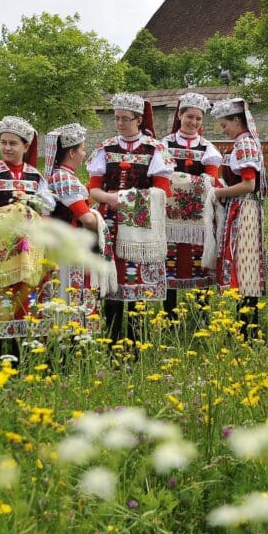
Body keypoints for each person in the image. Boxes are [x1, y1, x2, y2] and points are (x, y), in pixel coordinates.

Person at [87, 93, 173, 346]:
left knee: (137, 280)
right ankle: (112, 339)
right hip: (110, 219)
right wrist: (112, 199)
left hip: (140, 221)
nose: (121, 123)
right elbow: (93, 188)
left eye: (126, 119)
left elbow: (163, 190)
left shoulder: (155, 149)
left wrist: (132, 198)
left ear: (139, 120)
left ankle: (135, 342)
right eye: (117, 118)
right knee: (112, 278)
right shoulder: (106, 148)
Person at [0, 116, 55, 359]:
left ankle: (26, 356)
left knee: (26, 299)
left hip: (29, 251)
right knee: (0, 300)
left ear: (26, 146)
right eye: (3, 143)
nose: (7, 148)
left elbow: (45, 211)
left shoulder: (35, 176)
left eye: (13, 143)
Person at [41, 122, 113, 334]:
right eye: (82, 149)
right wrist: (99, 220)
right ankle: (71, 338)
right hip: (70, 244)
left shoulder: (59, 174)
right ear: (71, 152)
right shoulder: (64, 178)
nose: (84, 154)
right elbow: (85, 218)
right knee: (69, 291)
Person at [160, 92, 221, 321]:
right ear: (180, 115)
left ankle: (201, 314)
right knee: (169, 260)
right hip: (169, 218)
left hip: (198, 219)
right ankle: (169, 316)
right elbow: (160, 176)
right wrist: (192, 181)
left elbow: (212, 181)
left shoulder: (208, 148)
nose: (193, 122)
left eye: (198, 118)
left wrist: (179, 181)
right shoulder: (164, 144)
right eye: (190, 117)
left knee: (199, 262)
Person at [211, 98, 268, 340]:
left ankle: (248, 328)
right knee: (243, 266)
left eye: (225, 125)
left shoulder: (244, 144)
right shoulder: (240, 143)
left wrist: (218, 193)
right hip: (241, 208)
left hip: (244, 209)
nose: (223, 130)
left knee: (244, 266)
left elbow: (248, 184)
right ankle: (245, 325)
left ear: (237, 120)